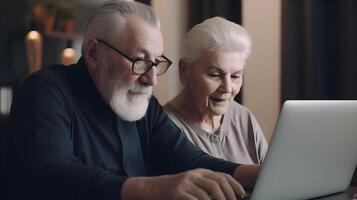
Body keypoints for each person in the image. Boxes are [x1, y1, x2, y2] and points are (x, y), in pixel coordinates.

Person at [6, 1, 260, 200]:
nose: (152, 79)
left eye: (156, 63)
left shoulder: (144, 107)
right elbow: (52, 174)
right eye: (140, 61)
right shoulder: (46, 91)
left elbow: (191, 160)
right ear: (94, 53)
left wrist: (263, 176)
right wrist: (151, 188)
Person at [164, 17, 268, 165]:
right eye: (215, 75)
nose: (227, 88)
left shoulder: (244, 118)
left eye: (235, 76)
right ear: (185, 71)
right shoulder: (163, 126)